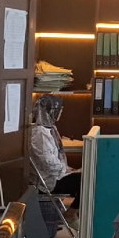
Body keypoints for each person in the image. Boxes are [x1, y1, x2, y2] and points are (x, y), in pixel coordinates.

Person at [29, 94, 81, 230]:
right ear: (50, 111)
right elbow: (48, 162)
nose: (60, 113)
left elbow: (57, 158)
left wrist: (69, 169)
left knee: (87, 178)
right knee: (85, 181)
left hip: (58, 175)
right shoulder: (39, 133)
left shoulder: (50, 129)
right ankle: (70, 214)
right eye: (59, 110)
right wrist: (67, 170)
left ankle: (71, 213)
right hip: (48, 181)